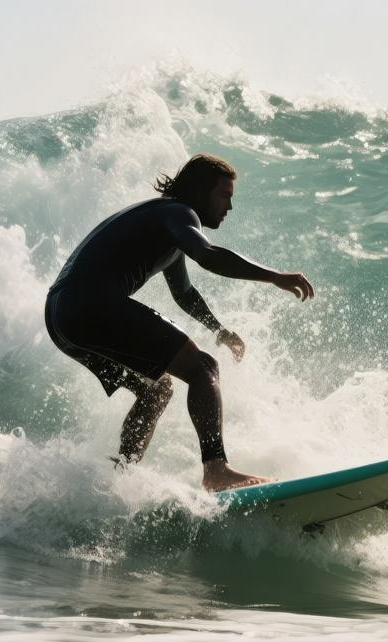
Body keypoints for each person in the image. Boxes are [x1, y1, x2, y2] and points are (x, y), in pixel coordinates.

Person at [44, 154, 315, 491]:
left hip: (61, 316)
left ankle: (119, 480)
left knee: (155, 390)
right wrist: (274, 276)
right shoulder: (178, 213)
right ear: (202, 192)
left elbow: (184, 293)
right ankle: (216, 469)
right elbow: (208, 255)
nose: (229, 206)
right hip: (91, 304)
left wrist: (219, 330)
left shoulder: (164, 224)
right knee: (202, 367)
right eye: (224, 195)